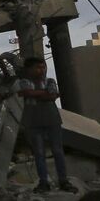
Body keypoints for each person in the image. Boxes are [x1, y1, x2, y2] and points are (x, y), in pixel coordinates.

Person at [15, 57, 74, 193]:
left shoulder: (50, 81)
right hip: (33, 121)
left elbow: (51, 95)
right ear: (29, 69)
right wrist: (45, 94)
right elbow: (29, 92)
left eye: (43, 67)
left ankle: (63, 180)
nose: (41, 70)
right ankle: (44, 182)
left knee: (58, 151)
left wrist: (34, 94)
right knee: (39, 153)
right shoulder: (24, 81)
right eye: (38, 67)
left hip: (52, 120)